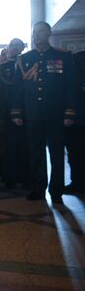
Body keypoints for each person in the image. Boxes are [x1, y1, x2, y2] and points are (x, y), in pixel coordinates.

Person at [11, 22, 76, 203]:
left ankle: (56, 190)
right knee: (35, 152)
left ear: (49, 33)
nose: (36, 35)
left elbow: (71, 86)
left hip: (56, 113)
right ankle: (37, 188)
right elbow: (18, 89)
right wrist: (16, 112)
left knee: (56, 153)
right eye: (34, 32)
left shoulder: (62, 56)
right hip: (33, 113)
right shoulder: (24, 59)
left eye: (40, 31)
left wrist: (70, 112)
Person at [0, 38, 29, 188]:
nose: (14, 48)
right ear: (7, 48)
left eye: (18, 46)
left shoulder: (27, 64)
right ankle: (7, 175)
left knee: (22, 145)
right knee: (4, 146)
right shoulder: (0, 67)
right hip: (4, 112)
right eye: (12, 46)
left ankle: (23, 175)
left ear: (22, 48)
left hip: (24, 111)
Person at [64, 50, 85, 194]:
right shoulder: (75, 65)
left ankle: (78, 183)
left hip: (76, 119)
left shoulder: (74, 68)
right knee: (75, 153)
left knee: (76, 153)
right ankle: (77, 182)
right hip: (75, 118)